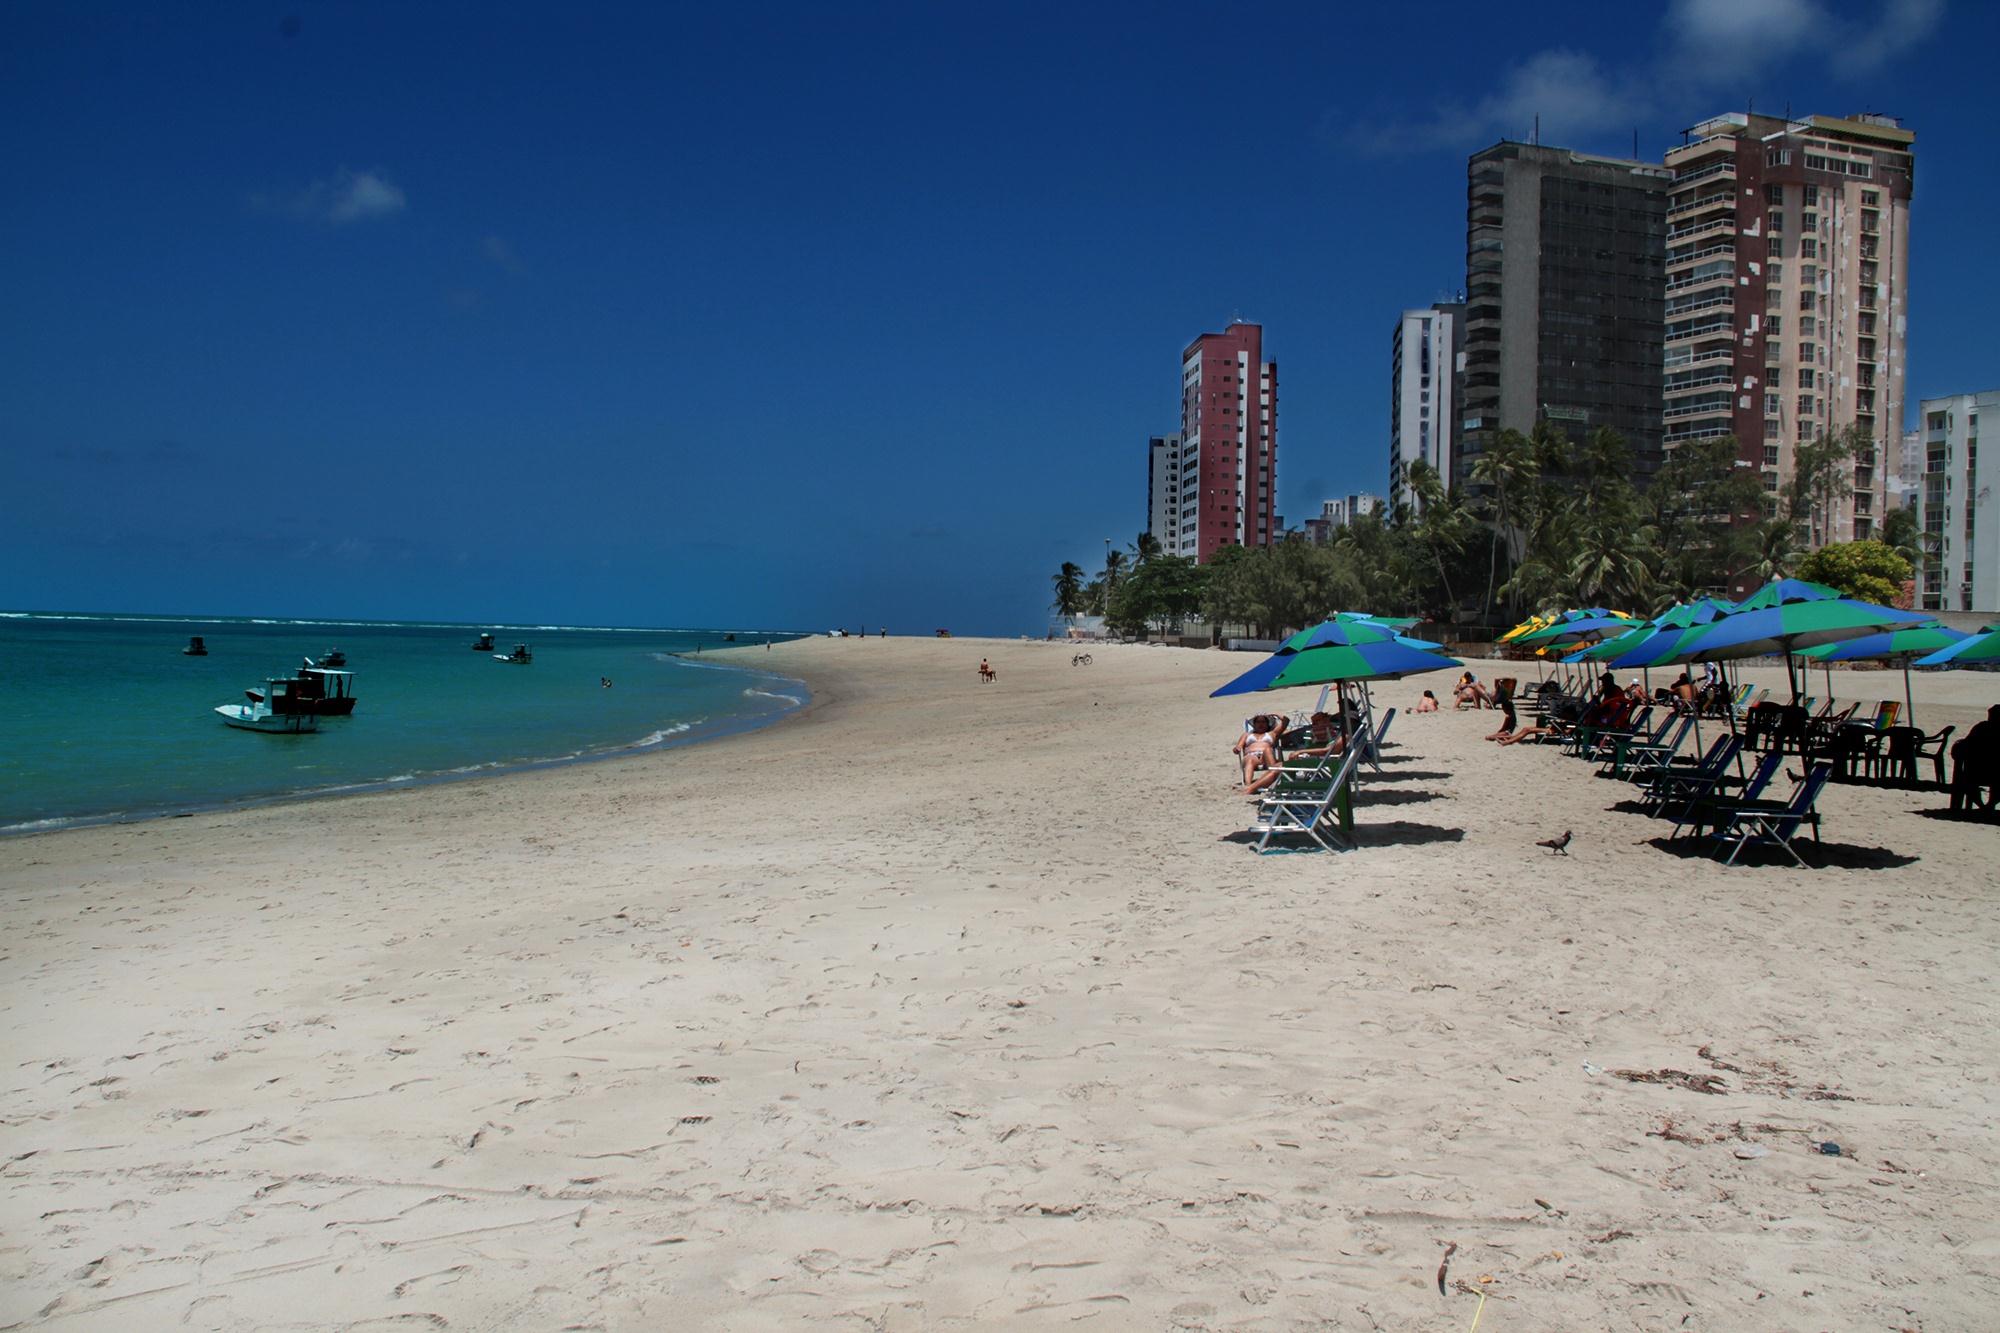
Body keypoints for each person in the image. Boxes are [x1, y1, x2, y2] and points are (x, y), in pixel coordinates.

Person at [1949, 704, 1999, 812]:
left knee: (1967, 781)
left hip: (1974, 773)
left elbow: (1964, 745)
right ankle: (1988, 806)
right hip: (1984, 773)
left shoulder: (1980, 727)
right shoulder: (1981, 728)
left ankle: (1984, 806)